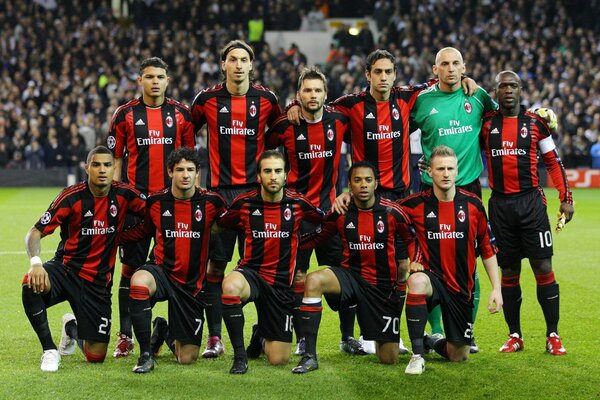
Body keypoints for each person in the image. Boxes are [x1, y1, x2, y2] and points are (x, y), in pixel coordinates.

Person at [293, 49, 478, 353]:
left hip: (401, 200)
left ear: (395, 74)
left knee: (402, 269)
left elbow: (445, 81)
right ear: (367, 74)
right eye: (377, 72)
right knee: (363, 267)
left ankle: (397, 332)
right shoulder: (351, 105)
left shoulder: (406, 97)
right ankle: (364, 334)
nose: (383, 77)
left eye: (388, 71)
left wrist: (465, 80)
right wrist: (292, 105)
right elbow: (317, 105)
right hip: (367, 200)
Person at [191, 40, 282, 358]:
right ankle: (214, 338)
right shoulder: (208, 99)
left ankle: (262, 332)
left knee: (259, 268)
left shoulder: (267, 99)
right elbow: (188, 135)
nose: (239, 64)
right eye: (233, 59)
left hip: (256, 198)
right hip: (218, 197)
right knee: (215, 267)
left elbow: (281, 134)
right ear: (223, 65)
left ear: (252, 65)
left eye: (244, 59)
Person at [22, 146, 145, 372]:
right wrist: (36, 264)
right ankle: (49, 350)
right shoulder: (71, 196)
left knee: (95, 356)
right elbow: (35, 232)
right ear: (87, 167)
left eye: (107, 165)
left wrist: (127, 236)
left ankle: (71, 328)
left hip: (97, 284)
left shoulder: (125, 194)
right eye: (96, 164)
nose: (102, 170)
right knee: (30, 283)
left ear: (114, 168)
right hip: (65, 270)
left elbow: (154, 214)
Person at [409, 47, 499, 351]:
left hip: (469, 190)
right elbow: (396, 135)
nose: (450, 68)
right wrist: (416, 163)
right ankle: (435, 331)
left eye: (456, 63)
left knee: (468, 266)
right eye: (444, 64)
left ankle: (467, 332)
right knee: (430, 266)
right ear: (435, 70)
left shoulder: (479, 96)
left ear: (464, 67)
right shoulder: (421, 101)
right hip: (429, 192)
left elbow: (502, 119)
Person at [292, 161, 419, 374]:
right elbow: (316, 237)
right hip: (350, 279)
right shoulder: (340, 213)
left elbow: (413, 239)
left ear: (376, 184)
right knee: (313, 280)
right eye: (357, 180)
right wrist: (286, 240)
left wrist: (414, 261)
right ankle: (309, 356)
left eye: (368, 180)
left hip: (381, 289)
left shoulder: (392, 213)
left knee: (389, 358)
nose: (363, 185)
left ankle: (420, 340)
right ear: (349, 185)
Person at [107, 57, 195, 358]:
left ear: (167, 80)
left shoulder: (181, 115)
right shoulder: (125, 115)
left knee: (178, 268)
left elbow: (189, 163)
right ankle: (125, 336)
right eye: (149, 76)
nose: (155, 81)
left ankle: (175, 330)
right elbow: (116, 161)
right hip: (136, 207)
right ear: (140, 81)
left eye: (160, 76)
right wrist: (115, 201)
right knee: (130, 269)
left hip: (173, 207)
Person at [481, 71, 574, 355]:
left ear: (520, 90)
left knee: (543, 268)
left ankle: (553, 335)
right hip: (500, 207)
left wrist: (566, 198)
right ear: (495, 92)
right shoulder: (485, 125)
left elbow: (553, 162)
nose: (508, 90)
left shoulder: (536, 124)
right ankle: (515, 335)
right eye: (502, 86)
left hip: (531, 204)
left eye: (513, 85)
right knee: (508, 271)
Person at [118, 147, 226, 373]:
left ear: (198, 173)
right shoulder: (157, 202)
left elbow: (234, 223)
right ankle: (146, 354)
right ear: (170, 172)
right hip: (161, 272)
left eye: (190, 169)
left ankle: (162, 330)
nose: (185, 175)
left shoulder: (213, 203)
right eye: (179, 169)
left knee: (186, 358)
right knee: (138, 280)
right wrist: (111, 236)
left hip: (190, 286)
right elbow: (143, 231)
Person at [217, 150, 324, 374]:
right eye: (267, 171)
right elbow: (220, 224)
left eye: (278, 171)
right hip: (251, 274)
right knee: (230, 287)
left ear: (286, 175)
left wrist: (303, 244)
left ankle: (260, 334)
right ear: (259, 176)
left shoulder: (298, 204)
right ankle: (240, 356)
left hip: (280, 287)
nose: (273, 176)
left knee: (279, 359)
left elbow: (323, 222)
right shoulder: (244, 203)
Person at [399, 145, 502, 375]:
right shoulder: (414, 205)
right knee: (416, 281)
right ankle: (417, 355)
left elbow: (487, 249)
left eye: (450, 168)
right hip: (431, 280)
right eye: (440, 169)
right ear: (430, 172)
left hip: (460, 288)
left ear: (457, 172)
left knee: (459, 355)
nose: (445, 173)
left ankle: (431, 341)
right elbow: (385, 214)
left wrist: (496, 288)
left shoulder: (474, 205)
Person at [265, 66, 347, 356]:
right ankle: (301, 339)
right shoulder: (285, 126)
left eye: (318, 90)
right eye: (307, 90)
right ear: (298, 94)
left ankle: (347, 336)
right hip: (296, 217)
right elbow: (263, 150)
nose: (313, 95)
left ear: (326, 94)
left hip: (330, 214)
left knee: (341, 276)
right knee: (296, 276)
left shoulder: (339, 119)